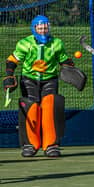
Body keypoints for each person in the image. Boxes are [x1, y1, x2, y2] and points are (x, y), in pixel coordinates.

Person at [2, 15, 86, 157]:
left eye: (45, 27)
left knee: (50, 107)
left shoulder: (57, 43)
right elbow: (12, 60)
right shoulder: (25, 43)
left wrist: (70, 67)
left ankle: (51, 145)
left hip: (50, 79)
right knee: (31, 108)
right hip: (29, 79)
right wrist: (9, 75)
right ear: (34, 28)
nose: (43, 30)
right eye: (40, 27)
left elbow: (63, 59)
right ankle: (30, 144)